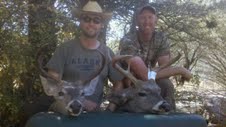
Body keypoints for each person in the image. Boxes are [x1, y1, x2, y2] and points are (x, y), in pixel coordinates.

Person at [20, 1, 123, 126]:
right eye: (86, 19)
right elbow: (53, 81)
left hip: (94, 115)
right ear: (80, 22)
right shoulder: (65, 49)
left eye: (96, 20)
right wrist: (81, 101)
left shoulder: (107, 53)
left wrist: (110, 110)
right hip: (65, 110)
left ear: (101, 25)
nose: (91, 23)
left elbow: (118, 84)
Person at [119, 5, 191, 111]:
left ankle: (169, 116)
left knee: (166, 84)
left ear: (155, 19)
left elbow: (163, 68)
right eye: (143, 17)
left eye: (150, 17)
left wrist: (155, 73)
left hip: (150, 80)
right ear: (137, 20)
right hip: (130, 82)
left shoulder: (161, 38)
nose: (146, 21)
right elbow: (143, 75)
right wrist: (180, 70)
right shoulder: (128, 40)